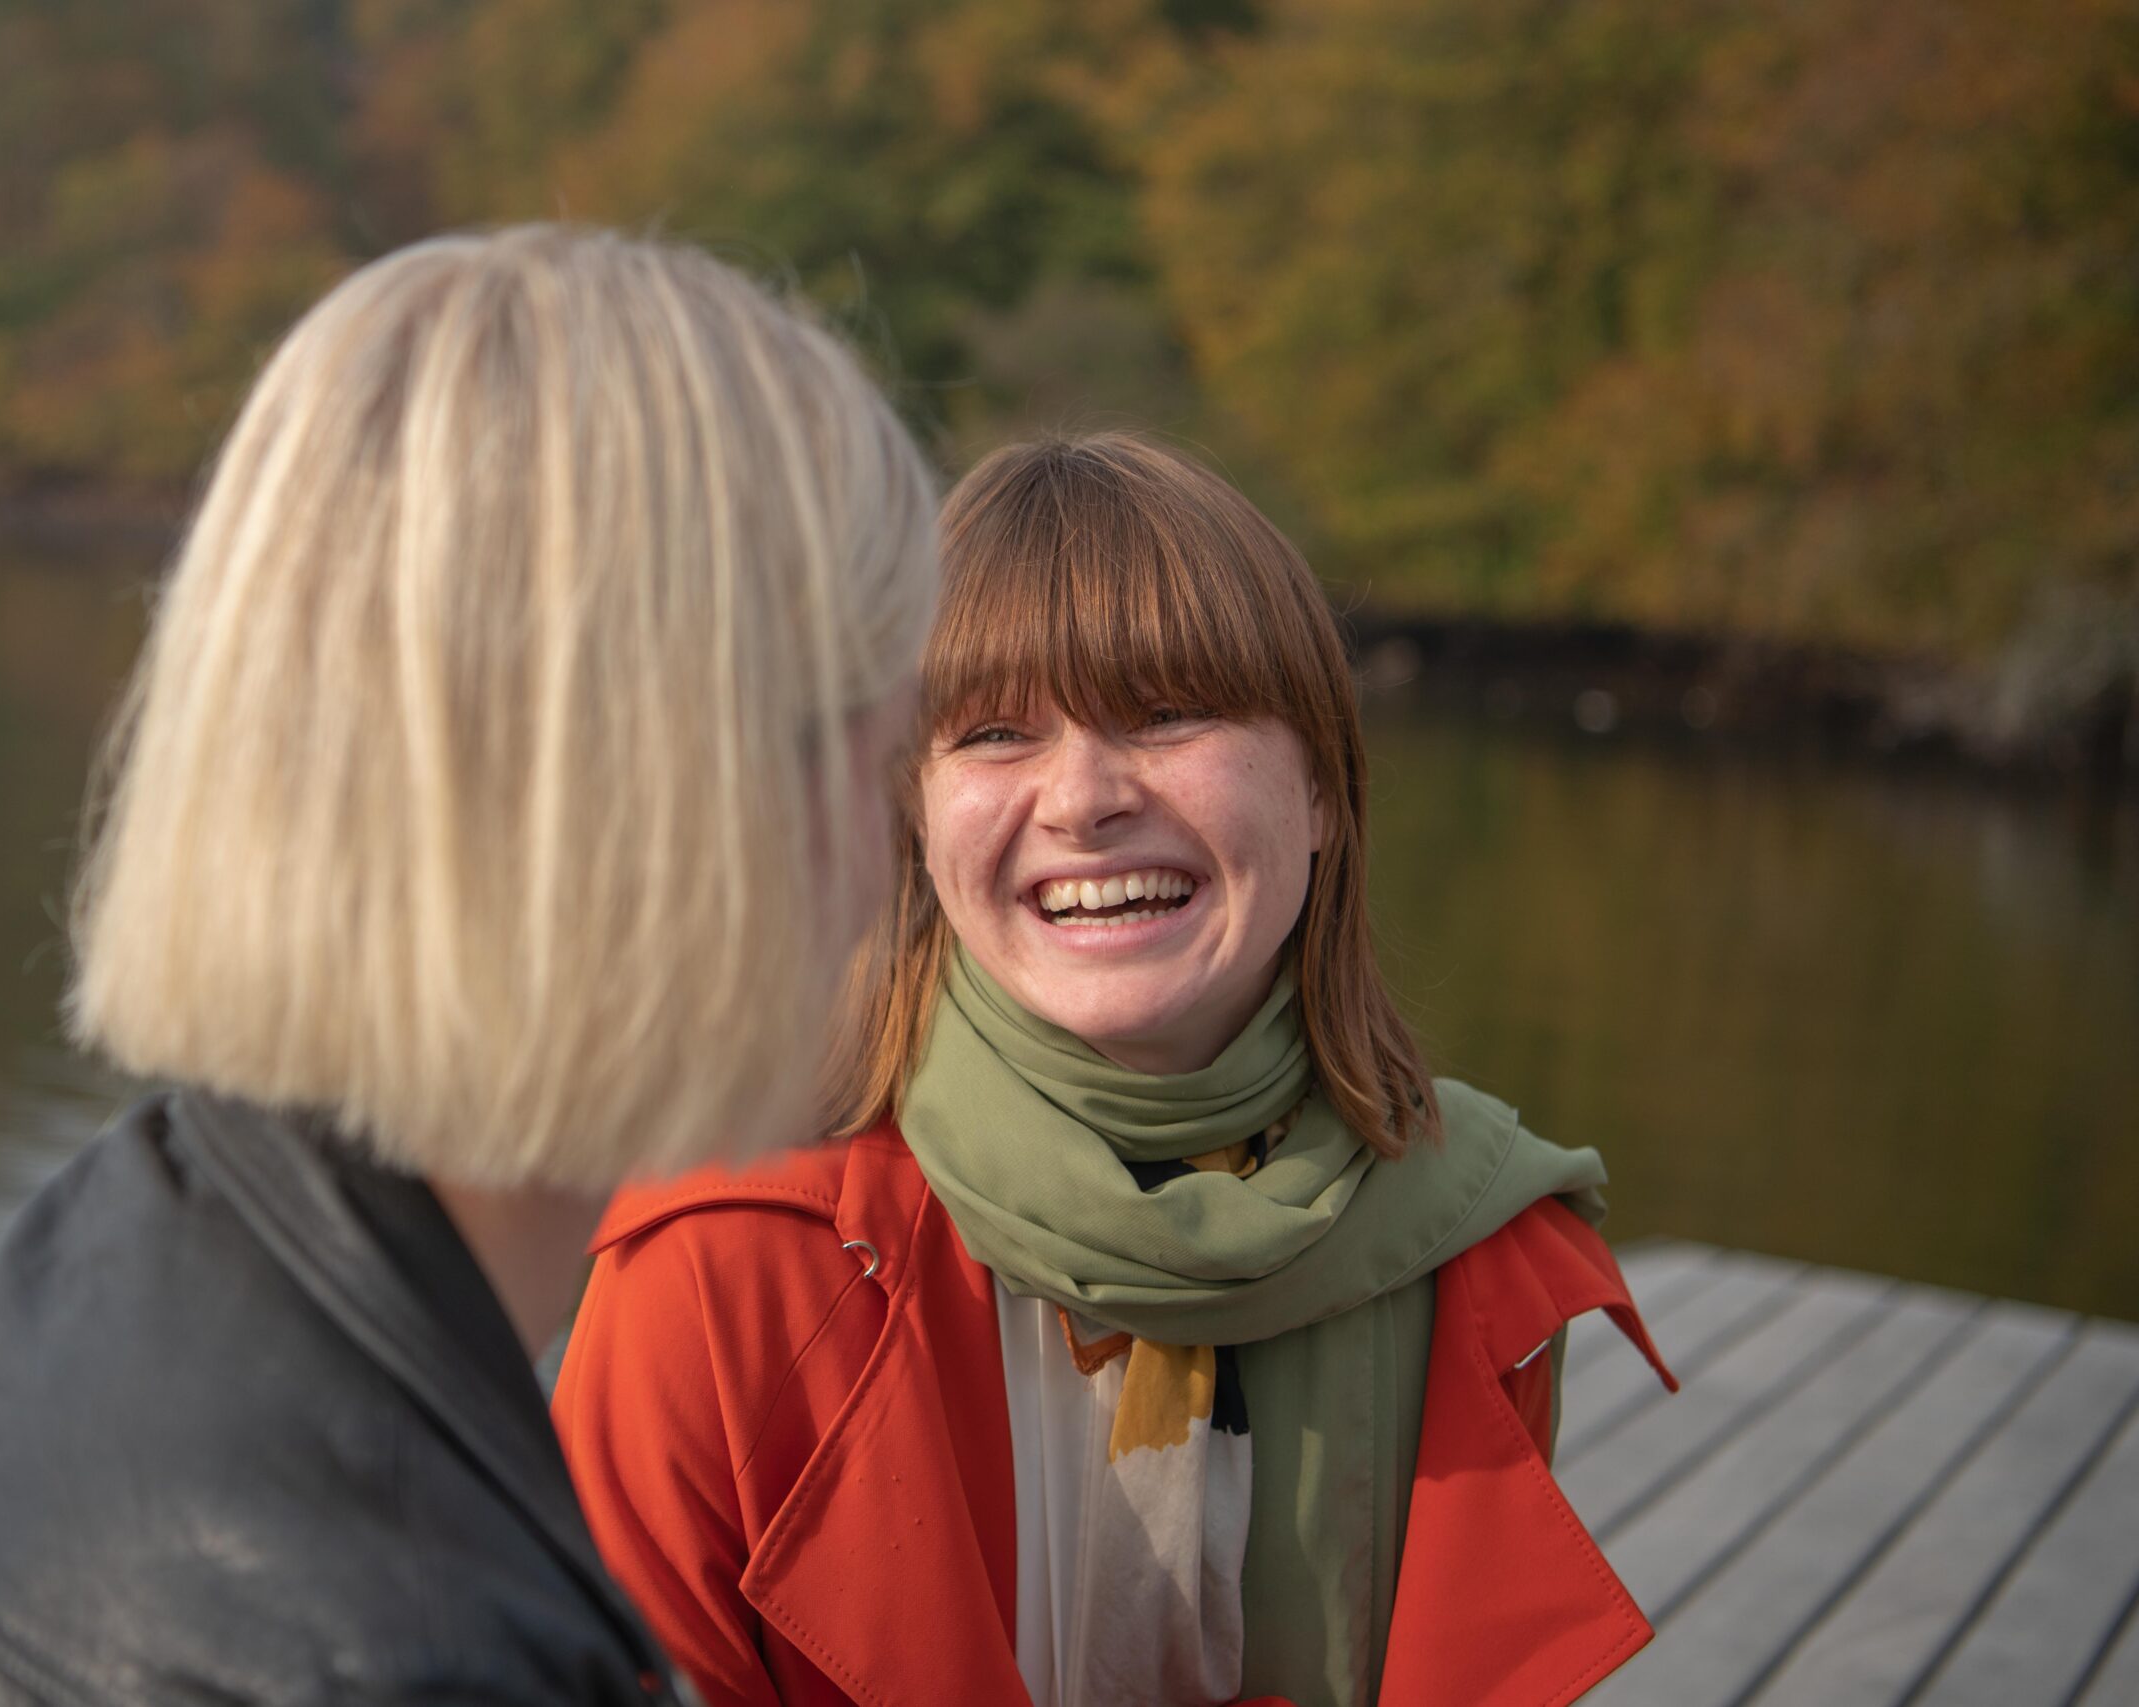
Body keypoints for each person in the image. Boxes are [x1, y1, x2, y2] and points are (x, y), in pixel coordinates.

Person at [0, 225, 939, 1706]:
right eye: (884, 758)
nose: (898, 873)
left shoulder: (103, 1255)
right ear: (683, 798)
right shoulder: (398, 1651)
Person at [552, 433, 1679, 1707]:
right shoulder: (726, 1269)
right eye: (992, 731)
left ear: (1320, 792)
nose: (1083, 797)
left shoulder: (1472, 1256)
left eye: (1165, 711)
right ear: (914, 822)